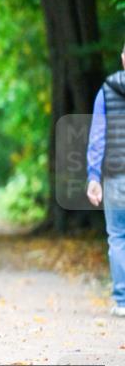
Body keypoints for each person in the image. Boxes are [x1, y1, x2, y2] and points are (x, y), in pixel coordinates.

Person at [85, 42, 125, 318]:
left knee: (118, 237)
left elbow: (97, 137)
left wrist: (93, 176)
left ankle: (122, 300)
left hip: (116, 177)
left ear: (123, 58)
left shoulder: (107, 90)